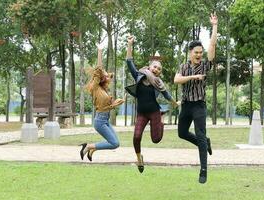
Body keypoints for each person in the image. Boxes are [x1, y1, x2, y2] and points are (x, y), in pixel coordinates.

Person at [174, 13, 218, 184]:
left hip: (199, 105)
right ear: (190, 53)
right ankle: (205, 142)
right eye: (196, 52)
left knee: (200, 135)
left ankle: (204, 170)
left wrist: (214, 26)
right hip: (186, 105)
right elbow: (176, 80)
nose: (199, 54)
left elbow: (213, 45)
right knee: (182, 133)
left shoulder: (206, 65)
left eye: (201, 52)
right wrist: (193, 77)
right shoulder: (183, 66)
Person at [126, 35, 180, 173]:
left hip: (154, 112)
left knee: (156, 139)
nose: (156, 69)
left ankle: (160, 120)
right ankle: (139, 159)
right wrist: (130, 44)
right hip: (141, 113)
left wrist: (175, 103)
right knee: (136, 136)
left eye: (159, 69)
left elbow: (166, 94)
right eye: (154, 67)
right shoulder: (139, 75)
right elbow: (129, 61)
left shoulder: (158, 83)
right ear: (149, 67)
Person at [79, 44, 125, 161]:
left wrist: (116, 103)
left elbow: (106, 106)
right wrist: (100, 51)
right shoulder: (95, 86)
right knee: (114, 143)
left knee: (116, 142)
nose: (104, 72)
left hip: (105, 120)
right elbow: (99, 69)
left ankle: (92, 150)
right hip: (100, 121)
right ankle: (88, 146)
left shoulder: (103, 89)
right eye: (103, 72)